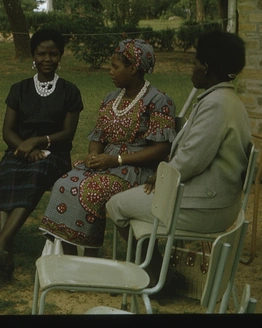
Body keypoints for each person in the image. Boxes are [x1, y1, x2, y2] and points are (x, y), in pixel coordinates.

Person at [106, 30, 251, 291]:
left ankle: (157, 277)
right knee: (133, 210)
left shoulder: (217, 104)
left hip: (208, 207)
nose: (191, 69)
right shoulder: (227, 99)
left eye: (195, 63)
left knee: (116, 204)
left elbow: (192, 160)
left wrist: (160, 176)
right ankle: (161, 273)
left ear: (206, 68)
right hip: (216, 198)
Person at [39, 39, 177, 257]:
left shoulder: (158, 101)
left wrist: (117, 160)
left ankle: (89, 256)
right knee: (63, 184)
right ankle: (69, 255)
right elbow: (98, 136)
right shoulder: (111, 99)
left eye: (115, 67)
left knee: (90, 190)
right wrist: (94, 154)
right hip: (107, 163)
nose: (110, 71)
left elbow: (160, 149)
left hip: (138, 168)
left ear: (133, 69)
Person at [0, 29, 84, 280]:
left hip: (55, 155)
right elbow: (8, 130)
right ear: (33, 55)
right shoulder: (19, 89)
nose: (47, 58)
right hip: (19, 150)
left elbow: (68, 133)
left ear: (60, 56)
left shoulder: (69, 91)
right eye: (41, 53)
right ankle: (4, 249)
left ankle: (1, 243)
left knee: (36, 173)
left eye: (53, 53)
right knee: (7, 173)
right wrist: (25, 147)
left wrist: (38, 142)